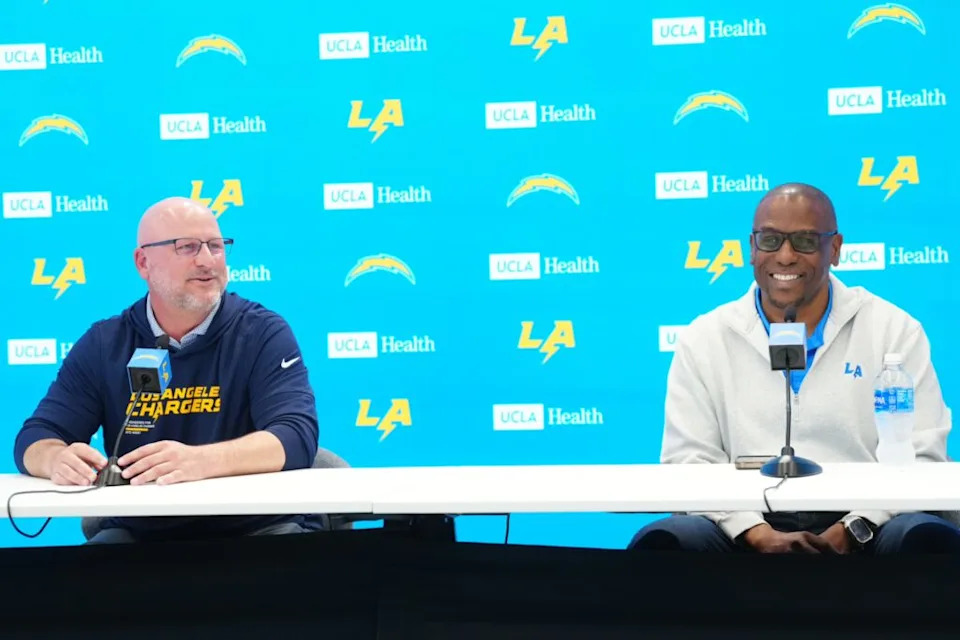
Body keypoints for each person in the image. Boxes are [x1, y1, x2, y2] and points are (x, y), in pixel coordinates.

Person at [630, 183, 960, 554]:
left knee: (923, 537)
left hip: (868, 522)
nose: (785, 257)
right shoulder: (705, 337)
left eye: (804, 241)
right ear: (751, 249)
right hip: (743, 524)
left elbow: (922, 453)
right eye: (770, 240)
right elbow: (688, 463)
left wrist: (854, 527)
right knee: (668, 542)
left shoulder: (893, 329)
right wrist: (753, 532)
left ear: (834, 249)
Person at [13, 197, 320, 544]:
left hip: (254, 528)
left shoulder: (261, 333)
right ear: (143, 262)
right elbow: (35, 437)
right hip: (143, 534)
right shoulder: (106, 343)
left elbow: (296, 437)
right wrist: (55, 459)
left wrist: (200, 462)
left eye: (216, 247)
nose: (207, 261)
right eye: (187, 247)